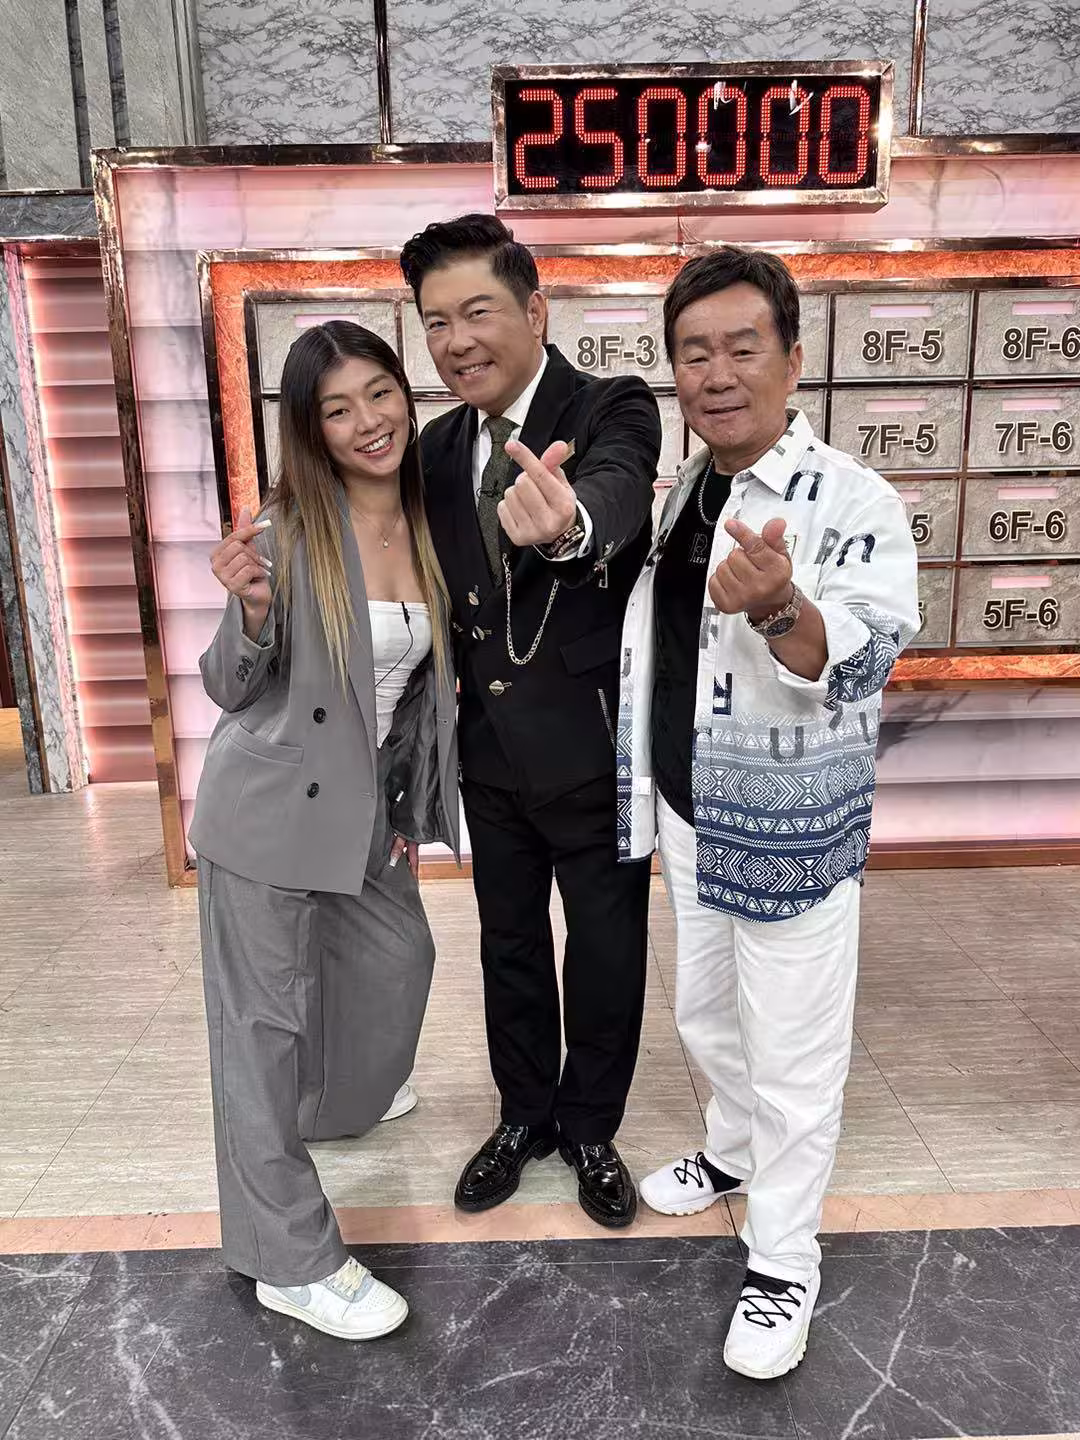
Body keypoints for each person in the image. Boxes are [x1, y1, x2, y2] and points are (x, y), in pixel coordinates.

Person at [616, 248, 920, 1377]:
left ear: (793, 361)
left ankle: (786, 1260)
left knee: (795, 1055)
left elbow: (869, 658)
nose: (718, 373)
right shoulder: (689, 491)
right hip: (691, 814)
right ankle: (732, 1152)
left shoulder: (852, 498)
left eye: (744, 348)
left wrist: (786, 607)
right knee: (706, 1017)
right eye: (695, 353)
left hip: (791, 833)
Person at [189, 322, 459, 1340]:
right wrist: (253, 612)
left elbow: (418, 694)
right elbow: (228, 687)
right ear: (311, 429)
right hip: (264, 815)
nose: (368, 422)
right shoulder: (290, 529)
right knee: (261, 1035)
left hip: (364, 812)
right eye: (337, 410)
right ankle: (288, 1260)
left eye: (379, 393)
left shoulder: (433, 517)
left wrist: (406, 801)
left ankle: (335, 1106)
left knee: (400, 964)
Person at [399, 214, 660, 1227]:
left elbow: (617, 492)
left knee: (604, 948)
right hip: (491, 754)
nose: (457, 341)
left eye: (478, 312)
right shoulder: (434, 445)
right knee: (506, 944)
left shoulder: (608, 404)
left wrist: (569, 527)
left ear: (536, 310)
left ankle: (590, 1127)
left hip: (592, 745)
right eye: (436, 322)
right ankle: (522, 1118)